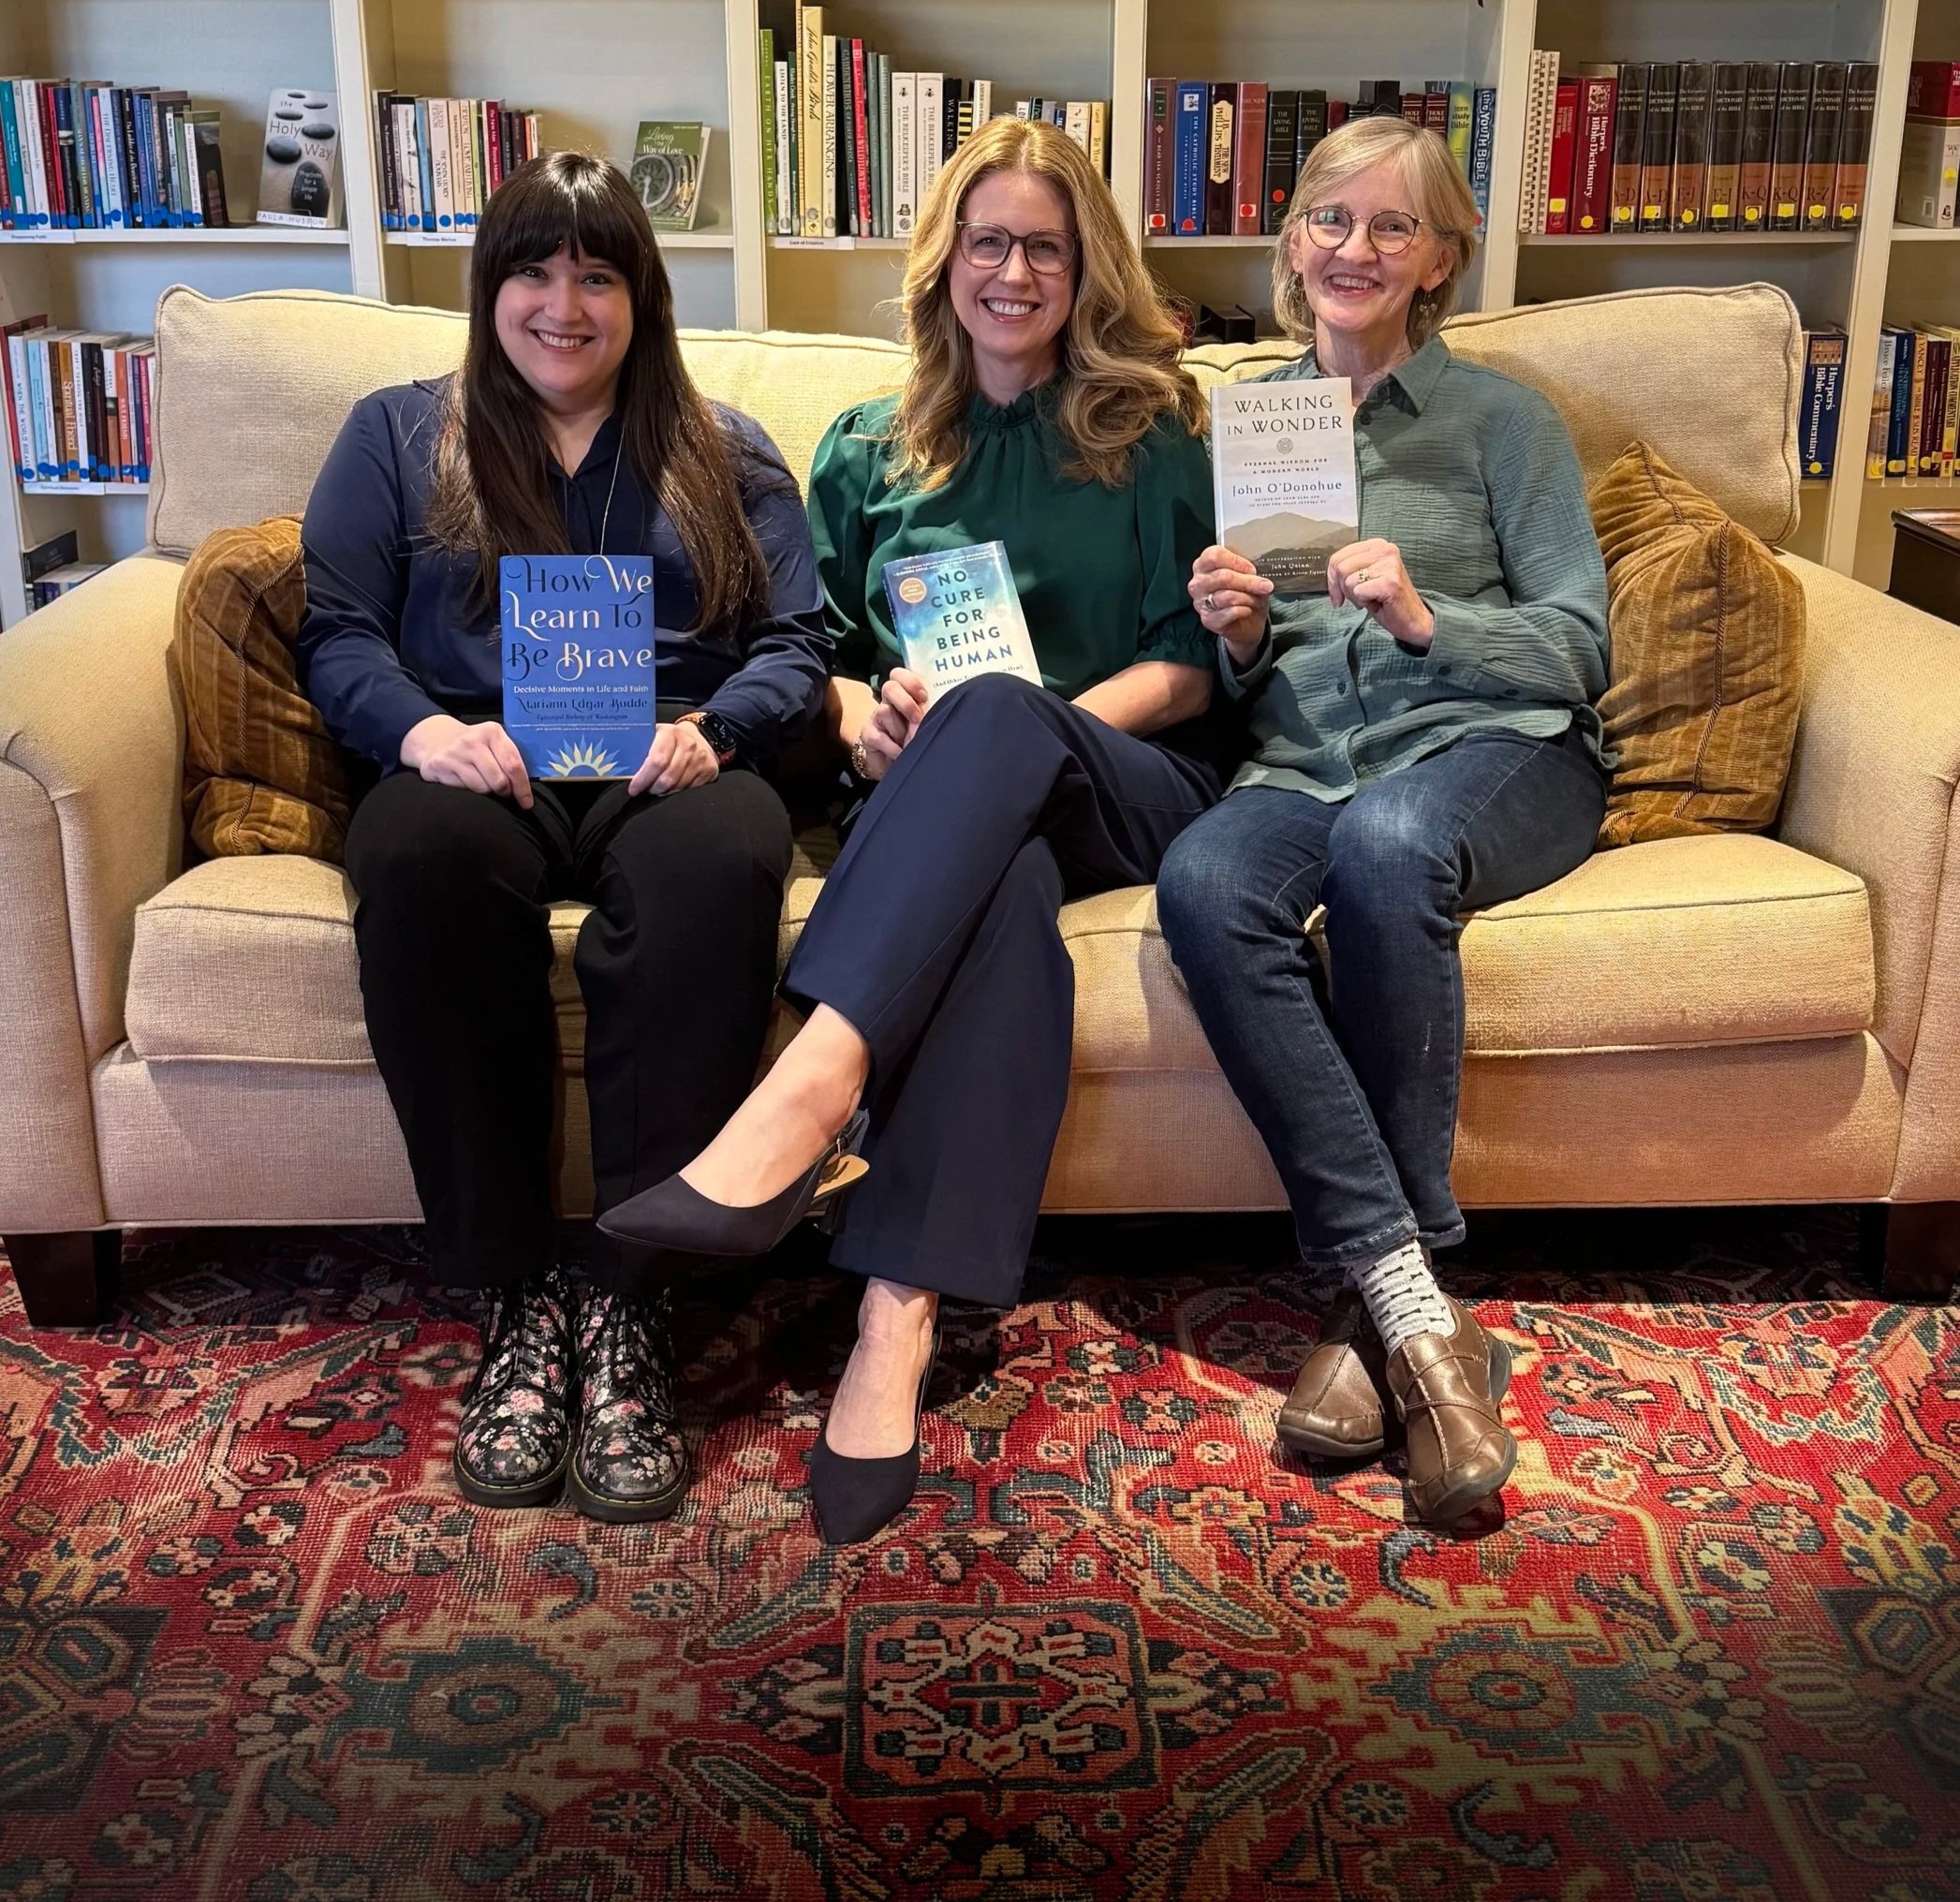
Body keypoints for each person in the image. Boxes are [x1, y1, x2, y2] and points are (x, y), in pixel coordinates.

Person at [599, 116, 1223, 1544]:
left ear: (1085, 269)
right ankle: (895, 1317)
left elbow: (1189, 666)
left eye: (1045, 248)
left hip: (1126, 779)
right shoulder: (868, 447)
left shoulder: (1156, 429)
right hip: (949, 813)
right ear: (945, 262)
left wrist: (1011, 727)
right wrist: (858, 716)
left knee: (999, 719)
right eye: (987, 242)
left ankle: (805, 1096)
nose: (1013, 271)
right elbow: (809, 652)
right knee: (993, 886)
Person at [296, 152, 829, 1525]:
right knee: (414, 860)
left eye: (597, 274)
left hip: (670, 753)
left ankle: (631, 1295)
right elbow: (338, 631)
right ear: (489, 290)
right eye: (532, 270)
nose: (563, 304)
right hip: (475, 755)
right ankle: (516, 1287)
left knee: (720, 864)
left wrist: (719, 727)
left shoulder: (725, 447)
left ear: (640, 296)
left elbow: (796, 642)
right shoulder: (397, 433)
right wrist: (418, 734)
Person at [1155, 113, 1611, 1528]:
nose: (1353, 249)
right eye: (1328, 221)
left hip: (1493, 750)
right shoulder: (1250, 420)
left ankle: (1381, 1310)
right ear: (1291, 244)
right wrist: (1232, 636)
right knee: (1201, 876)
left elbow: (1579, 651)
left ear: (1439, 258)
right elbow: (1249, 679)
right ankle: (1407, 1306)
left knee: (1388, 845)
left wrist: (1426, 616)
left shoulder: (1502, 421)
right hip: (1298, 765)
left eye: (1390, 227)